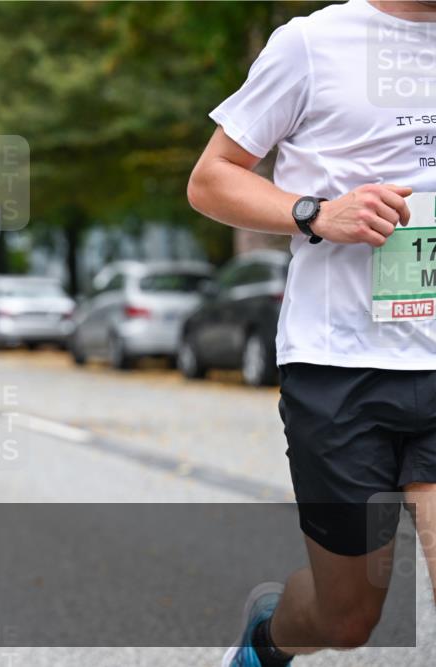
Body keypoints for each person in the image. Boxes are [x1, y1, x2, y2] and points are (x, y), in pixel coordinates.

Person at [187, 1, 435, 665]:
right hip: (340, 366)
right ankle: (266, 637)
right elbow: (211, 179)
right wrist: (317, 213)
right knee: (346, 615)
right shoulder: (311, 44)